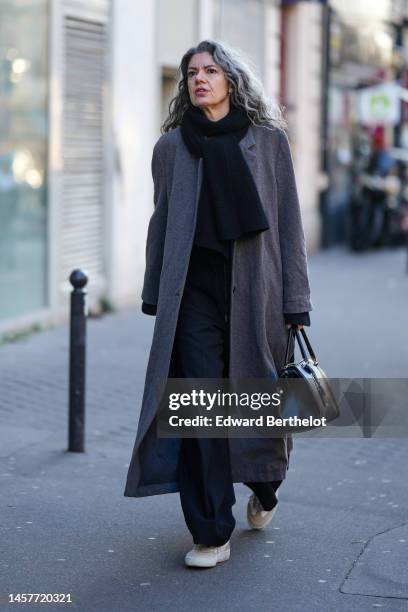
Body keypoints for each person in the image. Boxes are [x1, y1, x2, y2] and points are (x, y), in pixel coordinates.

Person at [124, 40, 313, 569]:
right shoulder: (170, 149)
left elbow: (289, 226)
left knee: (256, 406)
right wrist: (153, 291)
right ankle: (210, 531)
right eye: (191, 73)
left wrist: (296, 300)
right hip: (193, 296)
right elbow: (160, 223)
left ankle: (266, 486)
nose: (199, 79)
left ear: (231, 79)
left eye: (210, 70)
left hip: (257, 292)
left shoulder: (269, 143)